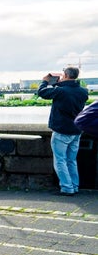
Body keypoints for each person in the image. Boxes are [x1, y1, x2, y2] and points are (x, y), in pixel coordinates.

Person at [37, 66, 88, 196]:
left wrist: (45, 81)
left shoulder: (60, 91)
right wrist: (61, 83)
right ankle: (74, 186)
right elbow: (70, 92)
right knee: (71, 160)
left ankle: (67, 188)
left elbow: (42, 93)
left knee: (60, 161)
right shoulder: (83, 91)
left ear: (65, 75)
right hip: (76, 131)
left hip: (61, 131)